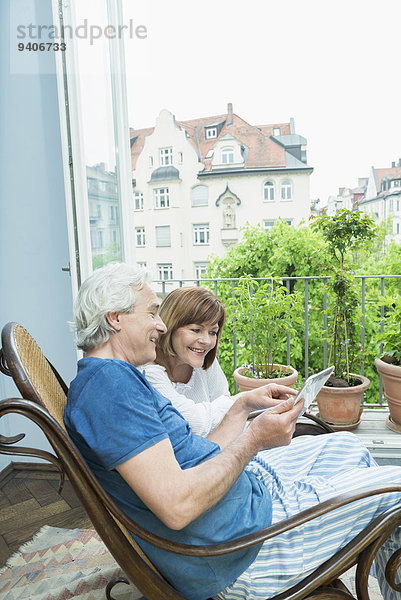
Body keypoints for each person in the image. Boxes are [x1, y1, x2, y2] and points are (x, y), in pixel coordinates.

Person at [65, 262, 401, 600]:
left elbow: (193, 458)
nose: (161, 324)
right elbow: (177, 506)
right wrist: (253, 440)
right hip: (244, 549)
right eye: (152, 312)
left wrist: (243, 407)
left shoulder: (115, 378)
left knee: (347, 447)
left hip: (243, 514)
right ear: (115, 317)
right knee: (396, 490)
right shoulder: (109, 387)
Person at [144, 286, 240, 436]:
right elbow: (193, 424)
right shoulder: (148, 371)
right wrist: (242, 401)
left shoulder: (203, 360)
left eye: (212, 332)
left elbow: (226, 413)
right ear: (170, 326)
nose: (207, 341)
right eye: (196, 330)